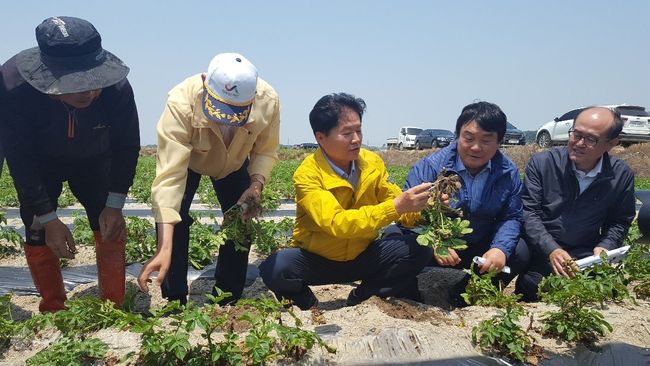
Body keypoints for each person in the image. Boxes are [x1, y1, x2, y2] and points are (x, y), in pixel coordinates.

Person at [0, 17, 140, 312]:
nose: (88, 92)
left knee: (108, 225)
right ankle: (53, 307)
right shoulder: (13, 86)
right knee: (36, 226)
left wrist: (115, 203)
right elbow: (19, 157)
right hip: (40, 162)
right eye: (76, 85)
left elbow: (127, 145)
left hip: (94, 158)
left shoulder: (116, 89)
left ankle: (112, 305)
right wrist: (48, 218)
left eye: (94, 82)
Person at [259, 92, 434, 310]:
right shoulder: (308, 174)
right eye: (347, 133)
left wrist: (424, 207)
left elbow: (400, 207)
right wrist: (396, 206)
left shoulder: (372, 163)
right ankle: (308, 303)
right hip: (317, 259)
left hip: (362, 254)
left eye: (359, 130)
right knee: (275, 269)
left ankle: (363, 296)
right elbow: (337, 223)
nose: (356, 139)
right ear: (320, 137)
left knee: (419, 248)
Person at [137, 53, 280, 306]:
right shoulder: (181, 102)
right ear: (205, 82)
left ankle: (227, 295)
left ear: (253, 97)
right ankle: (175, 296)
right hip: (189, 160)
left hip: (233, 161)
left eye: (236, 112)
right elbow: (170, 176)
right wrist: (164, 246)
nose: (227, 118)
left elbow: (265, 150)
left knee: (241, 218)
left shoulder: (268, 101)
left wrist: (256, 185)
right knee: (174, 219)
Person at [404, 101, 528, 306]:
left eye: (486, 140)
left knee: (520, 250)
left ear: (499, 142)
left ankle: (473, 294)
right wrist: (436, 242)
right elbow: (407, 212)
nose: (476, 147)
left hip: (479, 247)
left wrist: (499, 249)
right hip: (440, 248)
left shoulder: (508, 172)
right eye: (468, 138)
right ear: (457, 135)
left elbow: (511, 216)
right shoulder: (432, 167)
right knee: (399, 241)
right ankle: (418, 291)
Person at [515, 107, 635, 302]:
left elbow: (619, 220)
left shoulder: (620, 175)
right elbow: (529, 213)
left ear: (612, 143)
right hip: (540, 248)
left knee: (603, 291)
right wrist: (551, 249)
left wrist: (606, 246)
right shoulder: (544, 163)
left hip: (583, 251)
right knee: (531, 283)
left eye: (590, 139)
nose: (579, 143)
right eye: (576, 134)